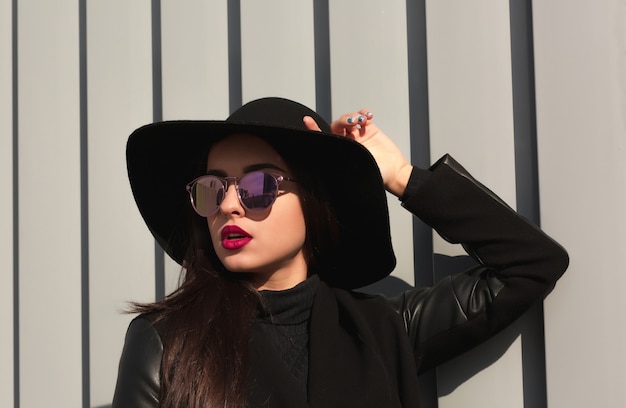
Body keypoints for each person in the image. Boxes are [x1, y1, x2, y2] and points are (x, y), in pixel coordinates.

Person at [112, 97, 568, 408]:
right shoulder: (168, 341)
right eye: (213, 188)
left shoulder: (383, 330)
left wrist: (401, 176)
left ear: (313, 202)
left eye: (258, 186)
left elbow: (531, 263)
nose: (229, 204)